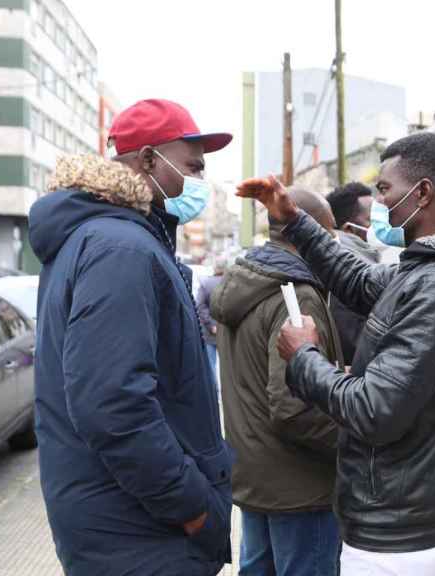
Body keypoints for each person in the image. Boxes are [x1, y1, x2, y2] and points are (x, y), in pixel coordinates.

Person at [237, 132, 435, 576]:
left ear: (422, 193)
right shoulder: (423, 271)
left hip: (398, 527)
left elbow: (373, 408)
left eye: (385, 190)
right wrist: (295, 220)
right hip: (394, 516)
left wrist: (304, 357)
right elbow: (359, 281)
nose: (379, 203)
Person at [28, 99, 234, 575]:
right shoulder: (119, 248)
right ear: (146, 161)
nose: (199, 182)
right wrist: (193, 509)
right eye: (192, 168)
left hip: (124, 528)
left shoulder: (111, 238)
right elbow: (112, 403)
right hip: (139, 536)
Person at [211, 187, 344, 576]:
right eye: (329, 232)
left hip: (257, 477)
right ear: (308, 230)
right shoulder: (294, 295)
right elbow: (294, 407)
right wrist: (353, 434)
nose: (332, 243)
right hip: (300, 487)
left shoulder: (247, 283)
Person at [326, 182, 381, 366]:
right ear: (349, 229)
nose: (383, 227)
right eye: (373, 221)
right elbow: (354, 345)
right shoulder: (345, 273)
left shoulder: (357, 262)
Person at [197, 254, 227, 389]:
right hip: (227, 330)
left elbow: (200, 306)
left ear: (214, 267)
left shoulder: (206, 284)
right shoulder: (231, 284)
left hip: (209, 332)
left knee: (211, 365)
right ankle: (226, 390)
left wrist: (211, 325)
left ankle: (214, 391)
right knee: (227, 364)